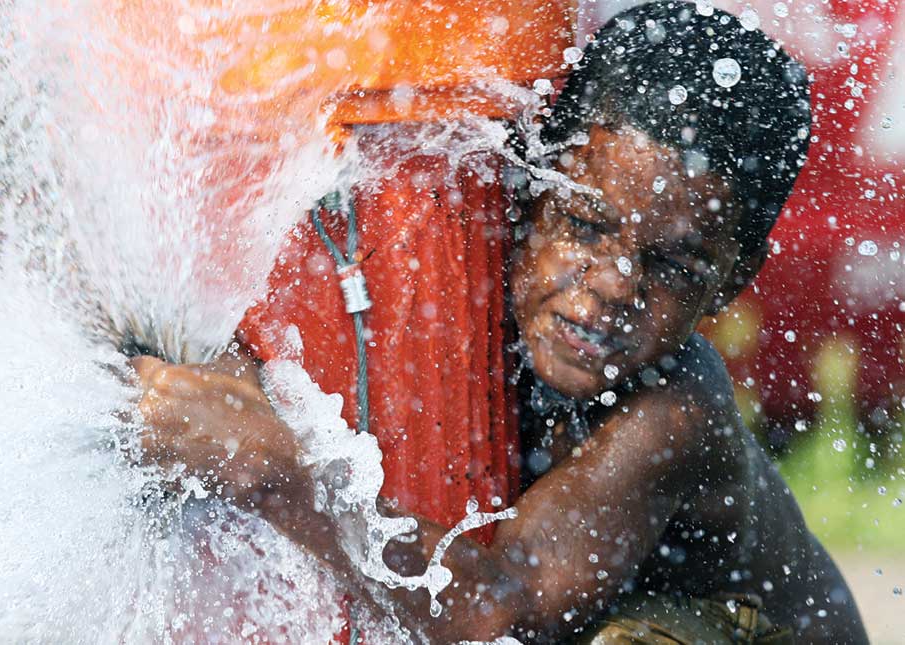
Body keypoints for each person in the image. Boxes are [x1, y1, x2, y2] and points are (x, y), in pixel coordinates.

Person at [131, 2, 869, 642]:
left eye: (672, 267)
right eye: (584, 224)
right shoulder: (457, 255)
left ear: (729, 283)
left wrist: (275, 468)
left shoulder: (669, 412)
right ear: (530, 180)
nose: (613, 286)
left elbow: (496, 613)